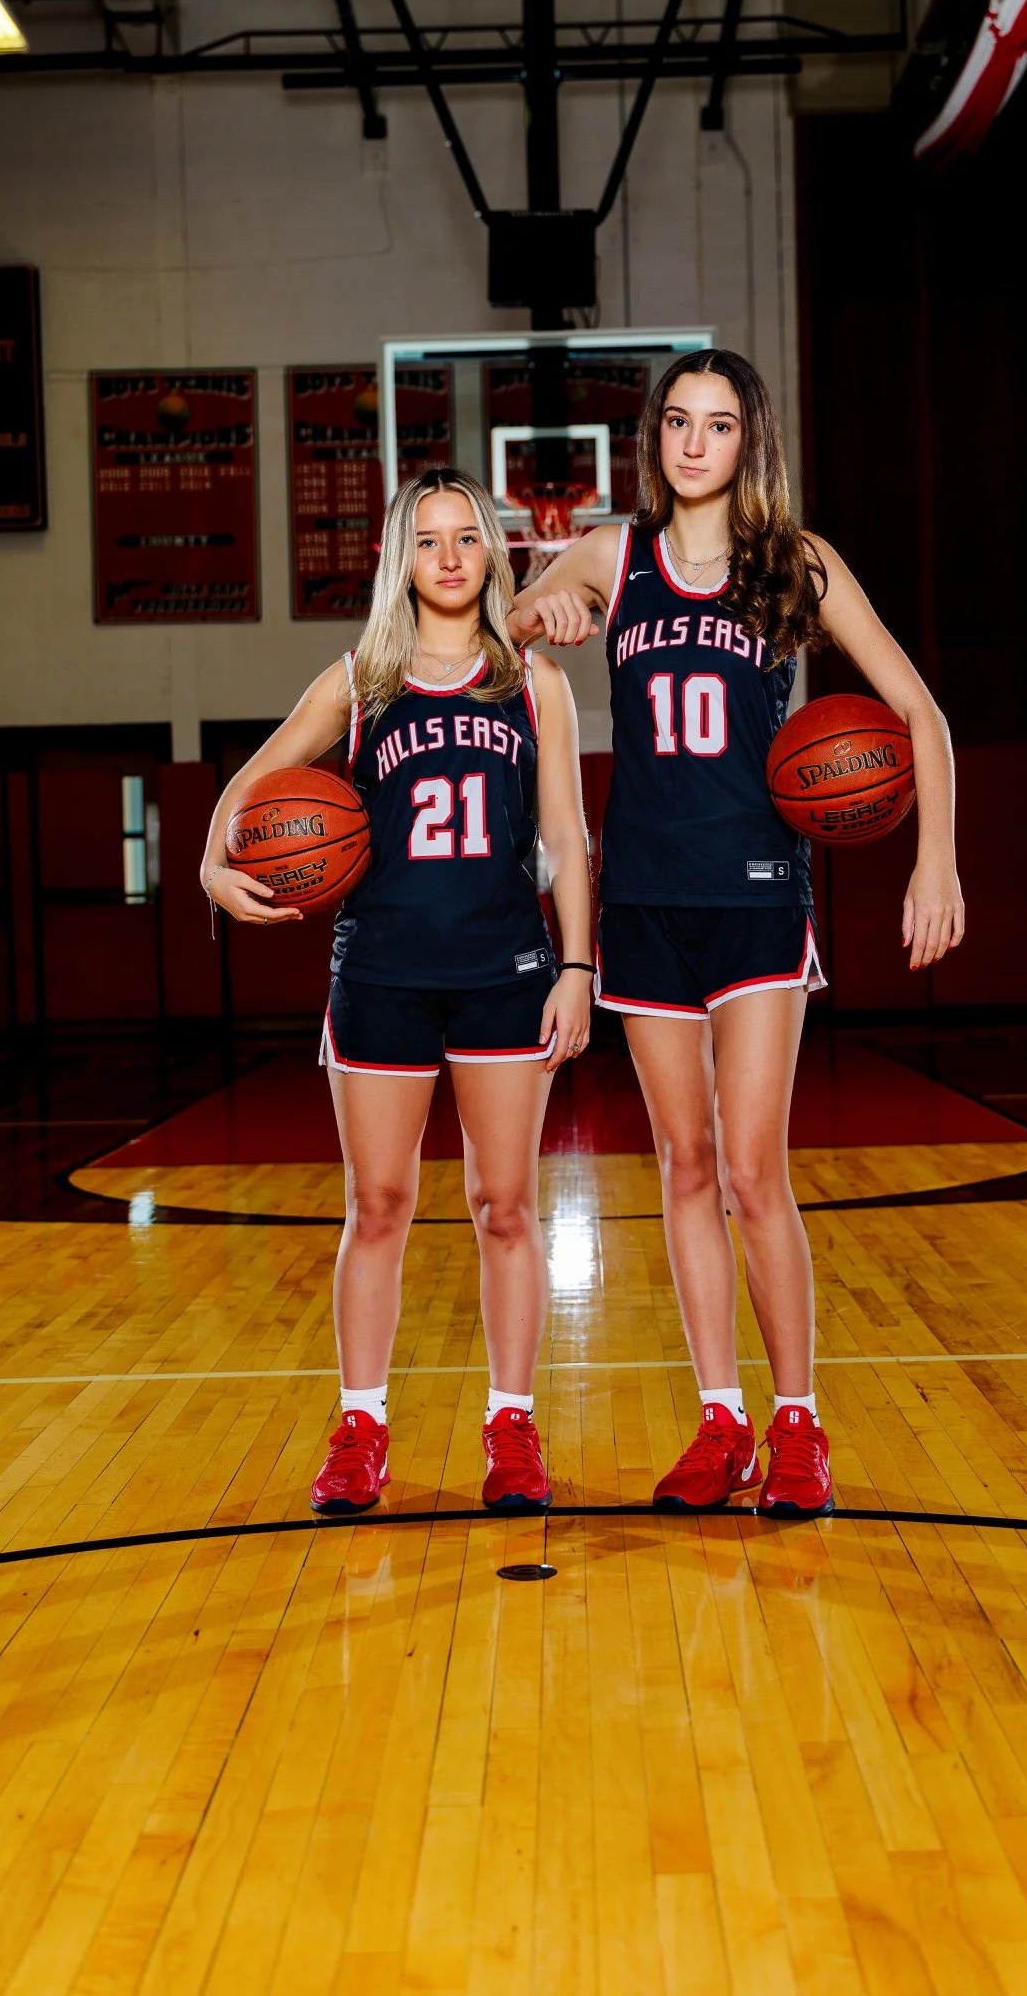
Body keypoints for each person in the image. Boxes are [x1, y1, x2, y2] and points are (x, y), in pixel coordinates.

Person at [506, 348, 965, 1518]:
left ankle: (797, 1422)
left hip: (759, 894)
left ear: (748, 441)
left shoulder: (793, 564)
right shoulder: (616, 552)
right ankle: (720, 1418)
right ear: (655, 437)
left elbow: (919, 711)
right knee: (685, 1166)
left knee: (754, 1168)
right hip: (645, 906)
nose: (694, 442)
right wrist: (543, 602)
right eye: (677, 421)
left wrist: (935, 858)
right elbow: (521, 610)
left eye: (717, 424)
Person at [201, 468, 593, 1516]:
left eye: (468, 537)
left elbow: (565, 836)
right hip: (379, 972)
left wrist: (579, 967)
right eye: (429, 541)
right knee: (376, 1206)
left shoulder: (532, 682)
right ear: (401, 560)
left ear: (493, 552)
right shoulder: (360, 679)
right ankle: (361, 1425)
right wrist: (208, 858)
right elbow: (251, 781)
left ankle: (511, 1424)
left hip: (506, 973)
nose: (452, 556)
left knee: (504, 1207)